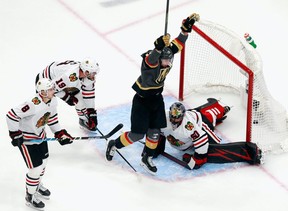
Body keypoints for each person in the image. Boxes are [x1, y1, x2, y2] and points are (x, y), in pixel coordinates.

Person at [105, 13, 200, 175]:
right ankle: (114, 143)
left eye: (169, 61)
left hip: (156, 99)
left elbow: (177, 44)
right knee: (137, 135)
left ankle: (146, 157)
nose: (168, 63)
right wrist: (157, 48)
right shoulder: (151, 64)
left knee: (155, 132)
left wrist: (185, 31)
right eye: (166, 61)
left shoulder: (166, 56)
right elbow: (150, 60)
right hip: (142, 101)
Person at [6, 78, 74, 211]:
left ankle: (36, 185)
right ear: (42, 92)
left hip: (40, 136)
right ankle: (30, 196)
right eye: (50, 89)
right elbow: (11, 115)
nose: (53, 91)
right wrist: (15, 135)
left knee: (44, 162)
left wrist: (59, 133)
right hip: (27, 140)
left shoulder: (52, 100)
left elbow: (52, 118)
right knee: (35, 169)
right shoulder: (32, 103)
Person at [159, 99, 262, 170]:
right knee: (206, 113)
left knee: (213, 148)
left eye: (177, 118)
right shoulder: (164, 117)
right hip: (195, 114)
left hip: (201, 124)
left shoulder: (188, 125)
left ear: (182, 116)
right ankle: (217, 107)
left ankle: (249, 151)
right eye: (172, 116)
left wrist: (199, 158)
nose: (173, 120)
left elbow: (202, 140)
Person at [35, 58, 100, 132]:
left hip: (60, 81)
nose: (94, 75)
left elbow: (89, 94)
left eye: (95, 73)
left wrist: (91, 113)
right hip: (45, 83)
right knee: (46, 109)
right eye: (92, 73)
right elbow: (51, 89)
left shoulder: (86, 75)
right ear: (86, 71)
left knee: (79, 100)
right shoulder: (69, 77)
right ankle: (33, 129)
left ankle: (84, 120)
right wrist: (66, 97)